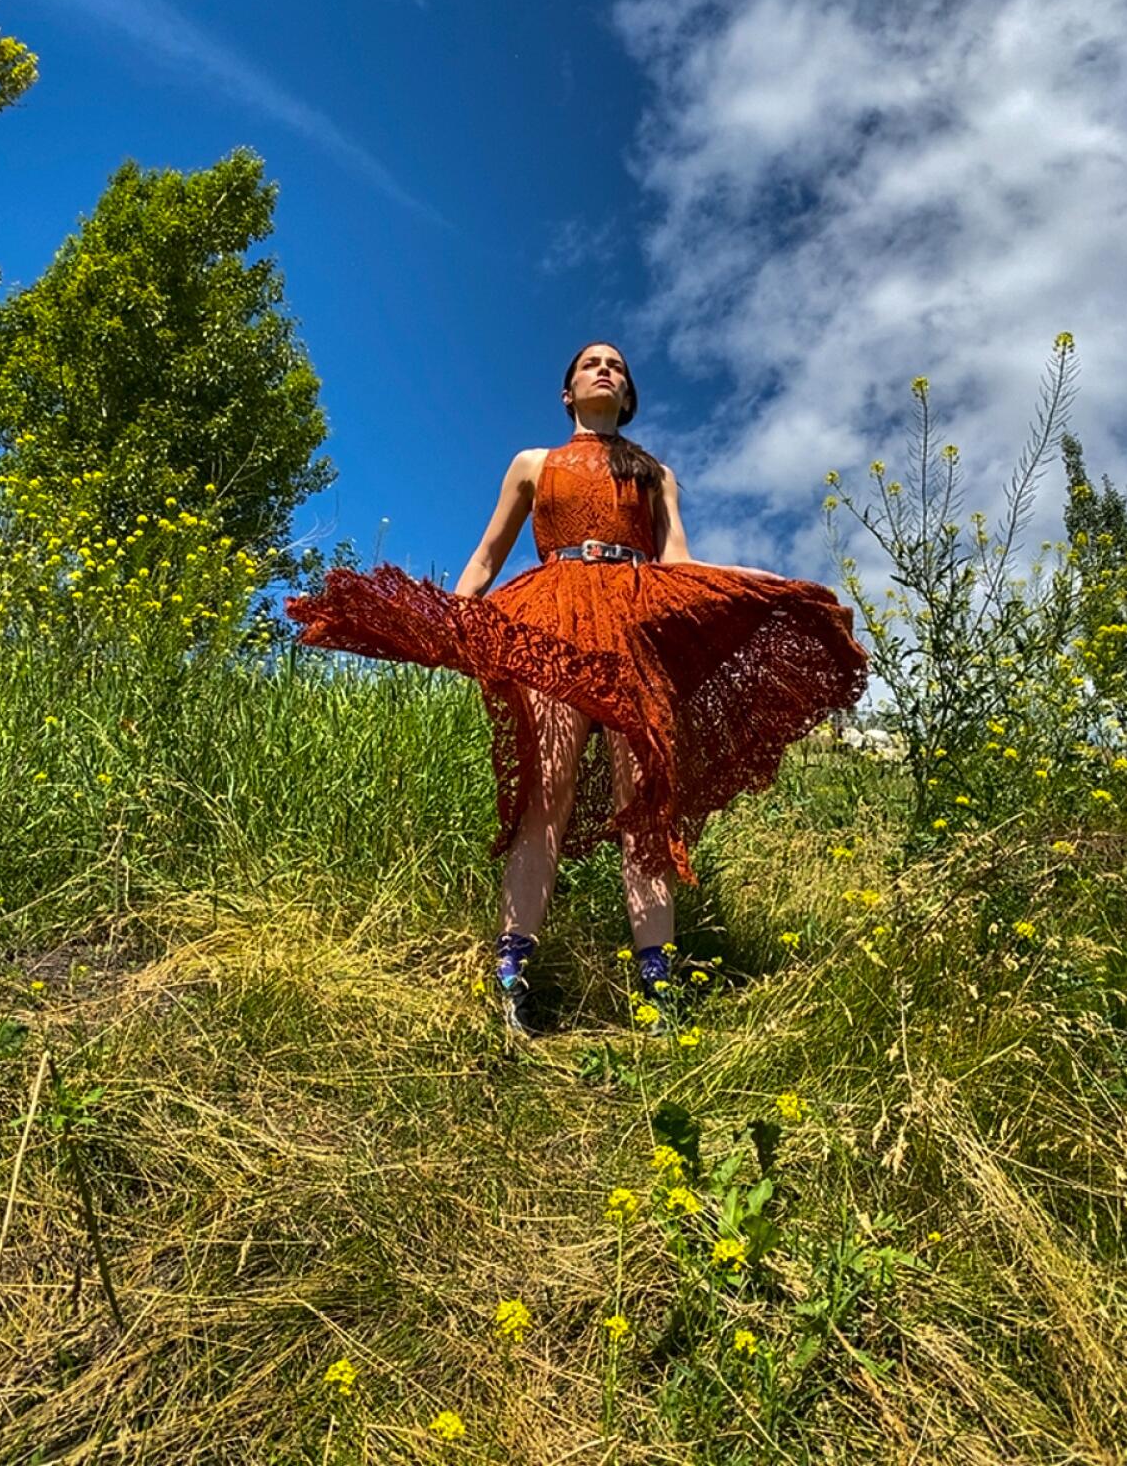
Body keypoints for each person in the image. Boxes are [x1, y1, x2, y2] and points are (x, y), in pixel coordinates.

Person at [284, 342, 869, 1036]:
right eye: (592, 363)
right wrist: (445, 627)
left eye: (617, 367)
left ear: (627, 398)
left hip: (635, 630)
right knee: (547, 793)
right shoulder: (534, 464)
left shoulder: (654, 473)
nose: (605, 369)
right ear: (568, 394)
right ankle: (513, 978)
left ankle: (659, 990)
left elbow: (677, 563)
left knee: (646, 805)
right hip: (551, 622)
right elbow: (485, 555)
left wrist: (747, 592)